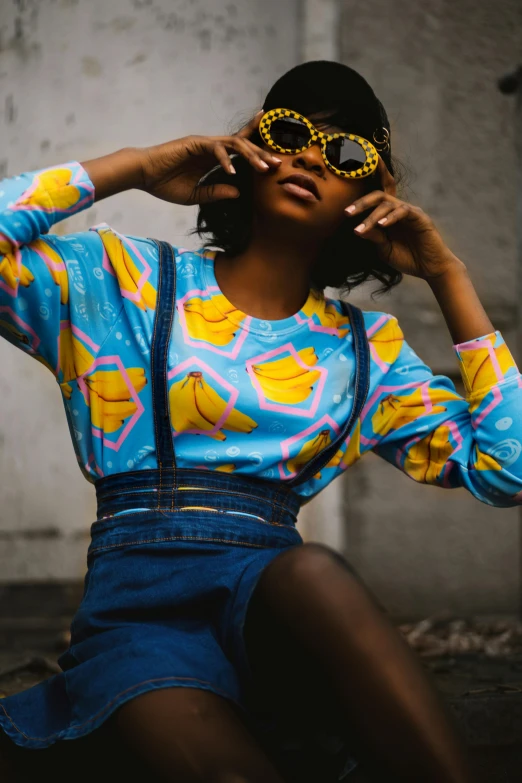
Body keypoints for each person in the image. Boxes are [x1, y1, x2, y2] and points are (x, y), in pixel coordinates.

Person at [0, 59, 520, 783]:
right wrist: (137, 165)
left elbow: (509, 467)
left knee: (310, 569)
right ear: (247, 150)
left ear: (370, 194)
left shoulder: (369, 353)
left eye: (345, 151)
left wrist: (448, 276)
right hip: (142, 622)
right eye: (288, 131)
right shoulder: (122, 284)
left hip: (279, 613)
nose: (310, 153)